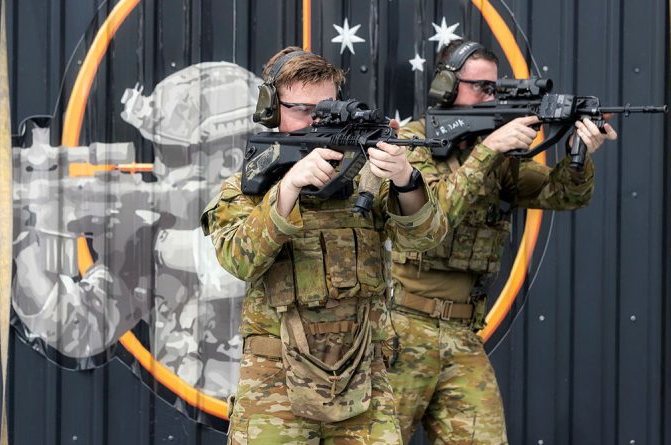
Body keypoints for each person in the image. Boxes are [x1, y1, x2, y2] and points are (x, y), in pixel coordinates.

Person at [200, 46, 449, 444]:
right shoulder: (247, 185)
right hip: (274, 385)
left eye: (327, 111)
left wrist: (406, 180)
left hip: (363, 381)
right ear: (271, 109)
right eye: (303, 110)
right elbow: (237, 259)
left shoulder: (370, 176)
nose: (316, 123)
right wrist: (289, 188)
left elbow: (427, 238)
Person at [387, 40, 618, 444]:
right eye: (480, 87)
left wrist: (579, 153)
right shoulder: (412, 145)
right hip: (400, 329)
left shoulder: (497, 156)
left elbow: (562, 194)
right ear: (445, 86)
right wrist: (490, 149)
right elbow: (432, 215)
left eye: (495, 89)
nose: (490, 98)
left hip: (462, 333)